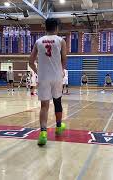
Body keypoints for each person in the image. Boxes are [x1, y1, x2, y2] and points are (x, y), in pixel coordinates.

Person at [29, 18, 67, 146]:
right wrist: (61, 71)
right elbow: (64, 60)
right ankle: (58, 126)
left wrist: (38, 72)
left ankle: (43, 133)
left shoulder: (38, 41)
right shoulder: (61, 41)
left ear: (45, 28)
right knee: (57, 101)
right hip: (56, 76)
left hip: (43, 77)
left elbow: (30, 62)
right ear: (56, 28)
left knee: (44, 106)